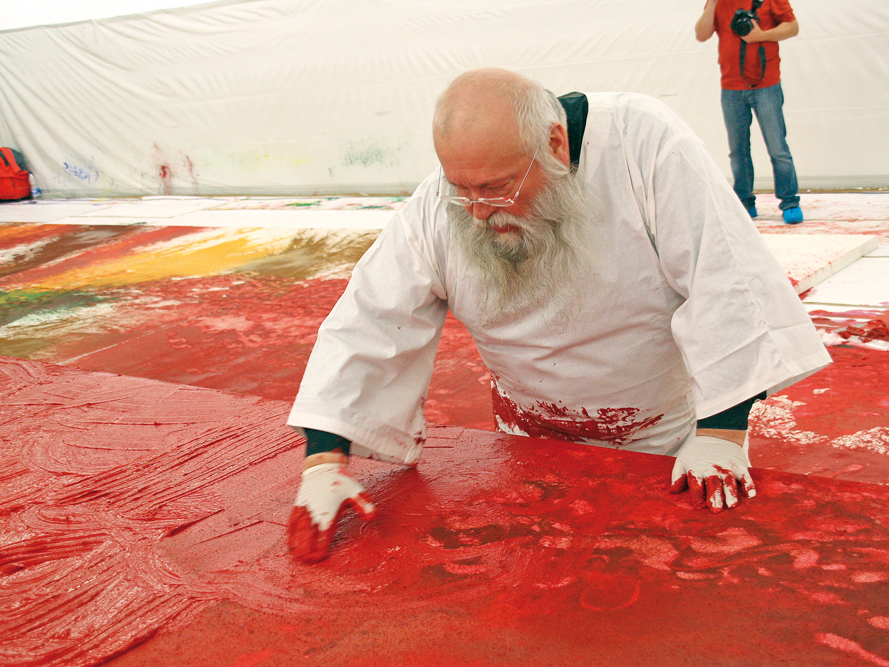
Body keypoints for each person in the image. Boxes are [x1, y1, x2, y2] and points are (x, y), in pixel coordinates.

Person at [285, 69, 831, 562]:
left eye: (497, 188)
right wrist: (322, 463)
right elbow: (371, 317)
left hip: (662, 445)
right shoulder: (445, 203)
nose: (478, 212)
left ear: (554, 142)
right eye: (462, 190)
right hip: (525, 442)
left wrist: (721, 435)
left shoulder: (643, 144)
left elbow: (725, 275)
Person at [695, 0, 803, 224]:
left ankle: (790, 202)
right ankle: (744, 202)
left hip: (767, 84)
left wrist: (760, 35)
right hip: (731, 87)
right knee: (738, 151)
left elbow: (792, 27)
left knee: (777, 147)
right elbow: (701, 34)